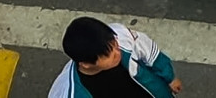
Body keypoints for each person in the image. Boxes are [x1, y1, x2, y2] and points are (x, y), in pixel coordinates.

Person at [50, 16, 182, 98]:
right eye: (109, 55)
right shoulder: (69, 93)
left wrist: (169, 77)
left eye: (114, 44)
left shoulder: (120, 35)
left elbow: (149, 51)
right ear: (85, 64)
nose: (117, 52)